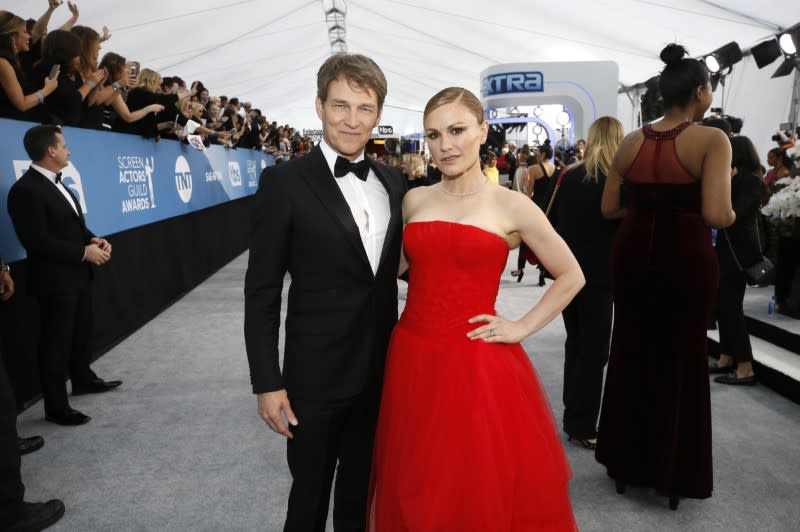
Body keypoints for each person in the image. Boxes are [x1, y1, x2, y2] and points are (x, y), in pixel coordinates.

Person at [367, 87, 583, 530]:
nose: (445, 145)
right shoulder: (414, 201)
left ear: (483, 130)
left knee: (472, 482)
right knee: (417, 479)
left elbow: (571, 275)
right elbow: (394, 270)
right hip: (412, 356)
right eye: (433, 135)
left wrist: (521, 326)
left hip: (476, 363)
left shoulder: (513, 205)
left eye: (457, 130)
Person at [244, 53, 406, 532]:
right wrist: (266, 382)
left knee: (360, 492)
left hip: (380, 368)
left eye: (364, 108)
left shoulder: (393, 181)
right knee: (309, 497)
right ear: (318, 106)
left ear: (378, 114)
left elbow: (392, 269)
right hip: (314, 376)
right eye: (340, 105)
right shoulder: (284, 182)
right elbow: (262, 290)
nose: (351, 120)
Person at [597, 43, 735, 510]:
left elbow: (610, 207)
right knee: (681, 357)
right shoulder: (712, 139)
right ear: (699, 92)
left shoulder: (631, 141)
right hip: (685, 258)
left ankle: (623, 463)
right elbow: (718, 215)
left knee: (631, 352)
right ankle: (671, 471)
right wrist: (731, 212)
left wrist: (647, 209)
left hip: (632, 253)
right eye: (710, 87)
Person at [7, 125, 122, 427]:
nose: (69, 150)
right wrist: (84, 253)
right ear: (51, 150)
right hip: (54, 281)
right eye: (64, 145)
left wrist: (94, 239)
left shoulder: (61, 184)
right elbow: (36, 241)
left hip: (78, 275)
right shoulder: (25, 191)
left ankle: (83, 378)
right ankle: (56, 406)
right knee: (56, 342)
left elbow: (74, 227)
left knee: (81, 332)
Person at [550, 116, 624, 449]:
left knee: (576, 345)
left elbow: (554, 223)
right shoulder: (617, 180)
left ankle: (574, 418)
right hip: (600, 276)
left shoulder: (571, 175)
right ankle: (583, 424)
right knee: (594, 352)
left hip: (568, 274)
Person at [710, 135, 762, 386]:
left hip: (738, 255)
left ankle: (745, 367)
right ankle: (726, 357)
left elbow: (733, 213)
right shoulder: (740, 179)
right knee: (722, 307)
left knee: (731, 309)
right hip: (726, 252)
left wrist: (727, 182)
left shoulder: (751, 182)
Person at [0, 10, 59, 121]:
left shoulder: (12, 61)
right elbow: (22, 104)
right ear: (12, 36)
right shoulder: (3, 63)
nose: (29, 37)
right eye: (25, 32)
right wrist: (47, 89)